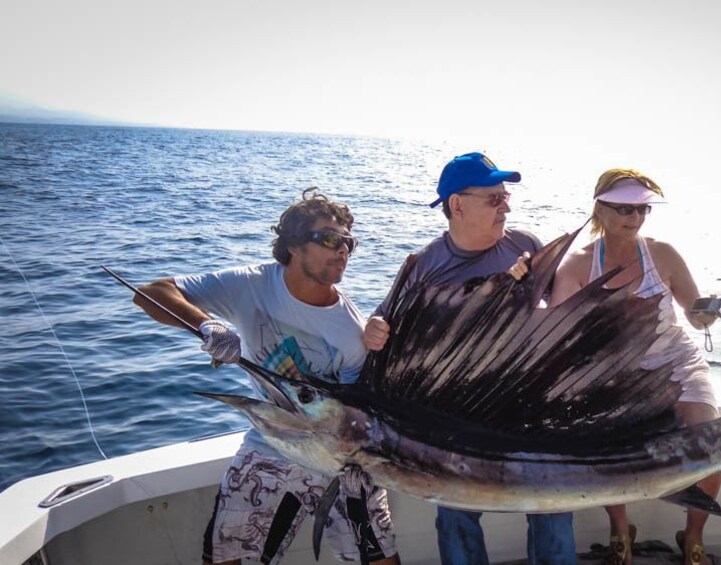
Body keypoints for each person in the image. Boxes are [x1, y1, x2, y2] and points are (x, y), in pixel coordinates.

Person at [133, 188, 400, 565]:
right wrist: (206, 325)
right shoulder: (250, 284)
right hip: (270, 443)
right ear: (293, 245)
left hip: (342, 457)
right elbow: (151, 293)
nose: (342, 250)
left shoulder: (351, 330)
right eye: (328, 239)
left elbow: (353, 416)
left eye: (348, 243)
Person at [364, 152, 577, 565]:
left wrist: (525, 290)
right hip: (458, 414)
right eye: (494, 199)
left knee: (552, 510)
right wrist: (373, 328)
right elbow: (383, 319)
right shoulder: (424, 266)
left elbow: (563, 313)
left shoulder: (527, 244)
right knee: (455, 516)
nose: (507, 206)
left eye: (506, 196)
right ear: (457, 205)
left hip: (529, 407)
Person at [546, 169, 721, 565]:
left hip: (676, 364)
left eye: (642, 209)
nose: (635, 217)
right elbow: (557, 337)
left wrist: (707, 314)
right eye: (624, 208)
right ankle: (620, 530)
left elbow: (694, 316)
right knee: (614, 456)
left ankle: (692, 535)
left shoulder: (664, 254)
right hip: (617, 375)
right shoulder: (576, 266)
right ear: (600, 209)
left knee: (709, 447)